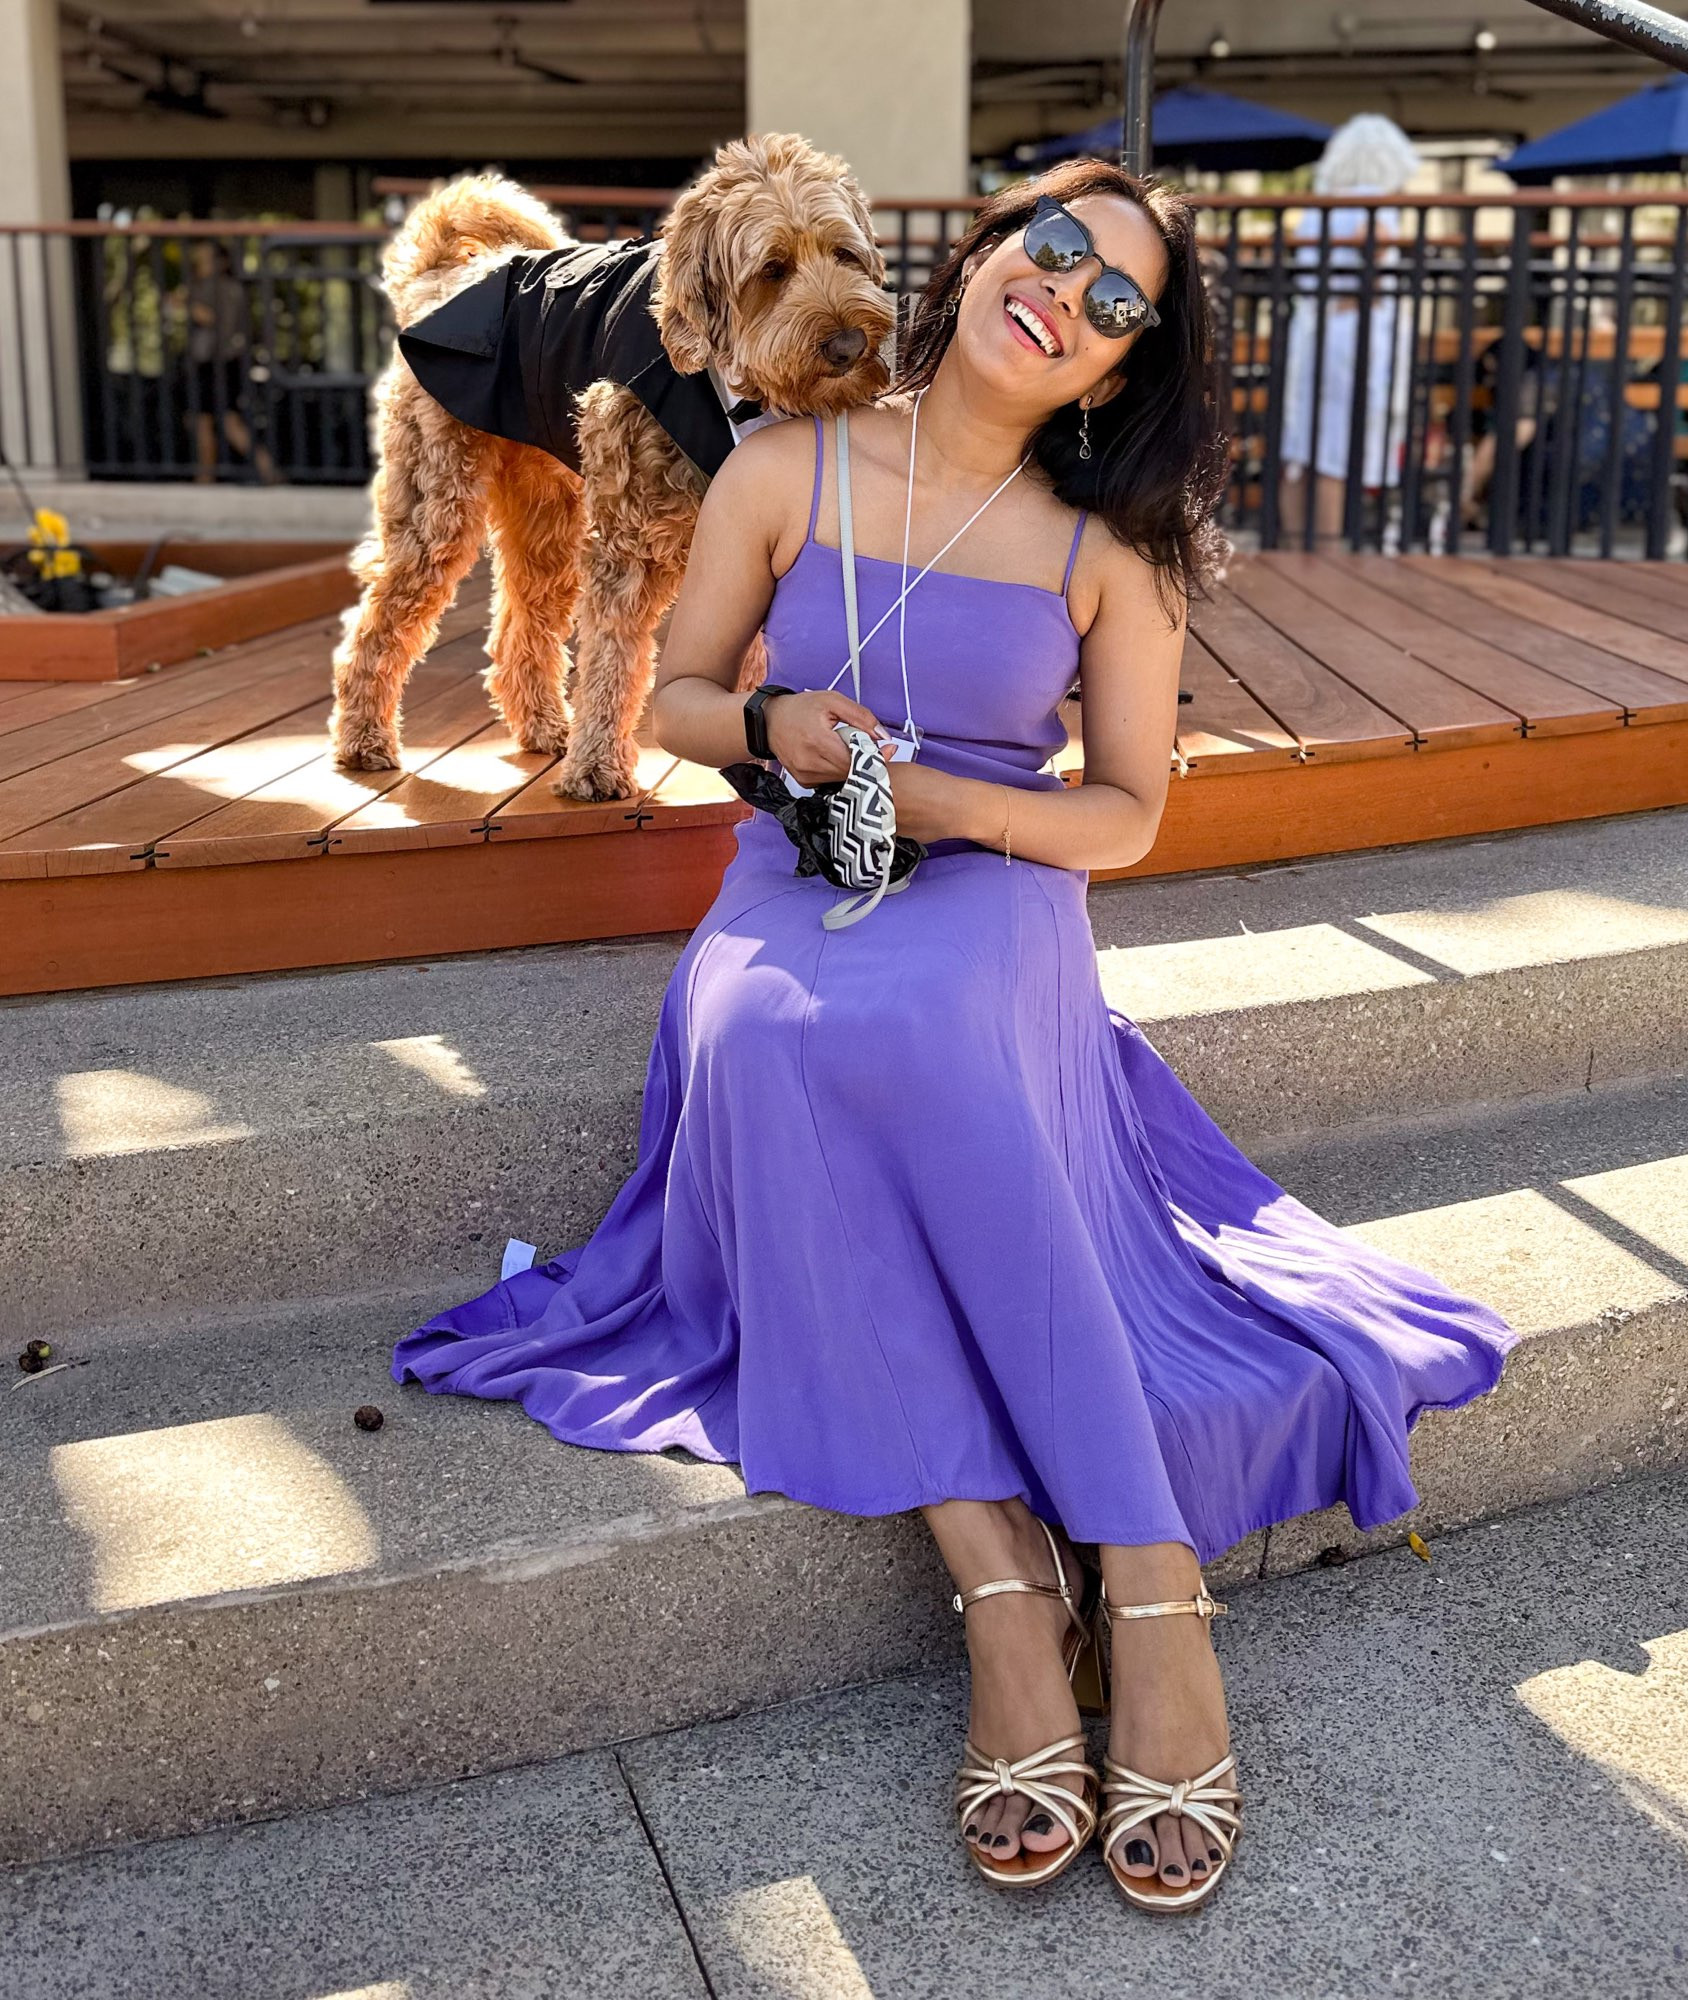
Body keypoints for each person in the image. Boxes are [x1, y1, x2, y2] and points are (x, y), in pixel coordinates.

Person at [388, 158, 1517, 1912]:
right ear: (982, 252)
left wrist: (948, 805)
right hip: (798, 863)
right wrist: (772, 718)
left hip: (995, 876)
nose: (1061, 292)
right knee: (764, 1031)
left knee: (919, 1028)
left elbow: (1127, 813)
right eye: (1046, 247)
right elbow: (677, 697)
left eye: (1111, 302)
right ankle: (1000, 1571)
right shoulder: (780, 461)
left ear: (1114, 372)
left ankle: (1146, 1585)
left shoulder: (1105, 552)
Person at [1278, 113, 1419, 550]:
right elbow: (1373, 251)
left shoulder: (1320, 210)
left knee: (1304, 447)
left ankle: (1293, 546)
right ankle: (1328, 552)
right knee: (1337, 452)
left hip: (1314, 332)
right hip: (1356, 335)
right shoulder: (1378, 206)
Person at [178, 240, 276, 483]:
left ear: (220, 262)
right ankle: (209, 477)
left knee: (222, 422)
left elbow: (213, 319)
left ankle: (265, 471)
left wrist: (186, 303)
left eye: (205, 259)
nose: (199, 264)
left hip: (217, 364)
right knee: (208, 422)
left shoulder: (221, 289)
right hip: (217, 363)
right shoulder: (219, 287)